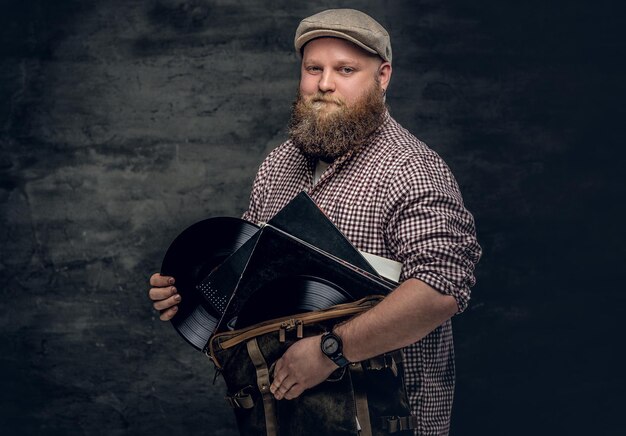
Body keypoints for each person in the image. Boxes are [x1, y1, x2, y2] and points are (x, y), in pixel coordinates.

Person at [149, 9, 481, 435]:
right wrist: (188, 296)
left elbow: (441, 290)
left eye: (345, 69)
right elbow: (244, 288)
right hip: (283, 419)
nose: (325, 84)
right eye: (314, 68)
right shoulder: (278, 165)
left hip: (387, 421)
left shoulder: (411, 169)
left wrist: (330, 351)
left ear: (382, 77)